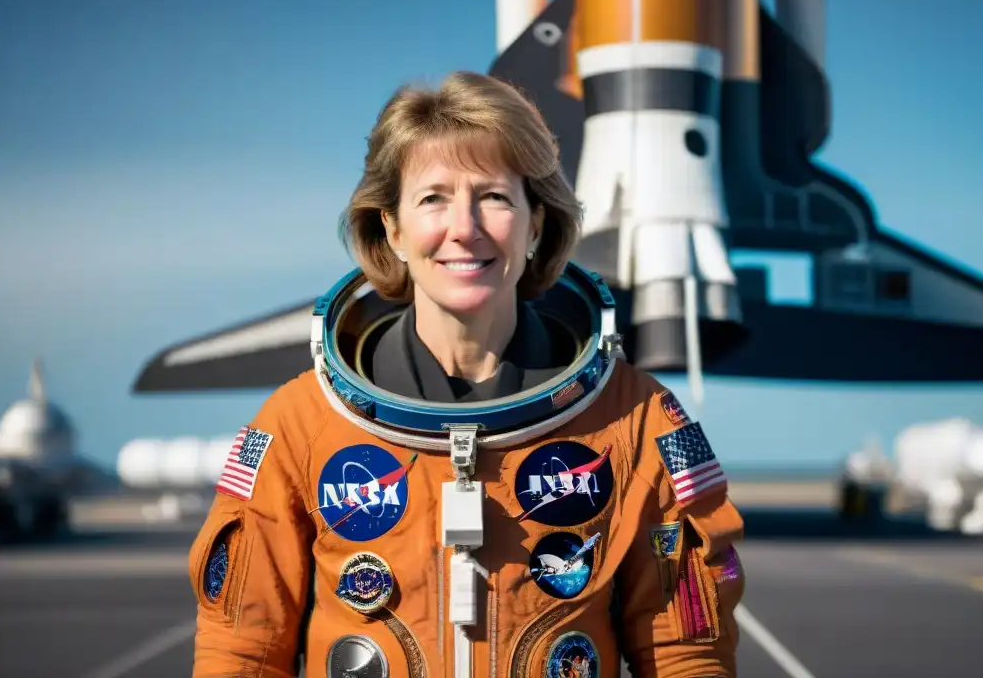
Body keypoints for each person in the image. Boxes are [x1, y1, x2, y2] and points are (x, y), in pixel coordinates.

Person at [188, 70, 746, 678]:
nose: (465, 227)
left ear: (537, 224)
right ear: (392, 230)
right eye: (433, 198)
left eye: (495, 197)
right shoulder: (301, 426)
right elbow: (240, 651)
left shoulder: (634, 421)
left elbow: (686, 653)